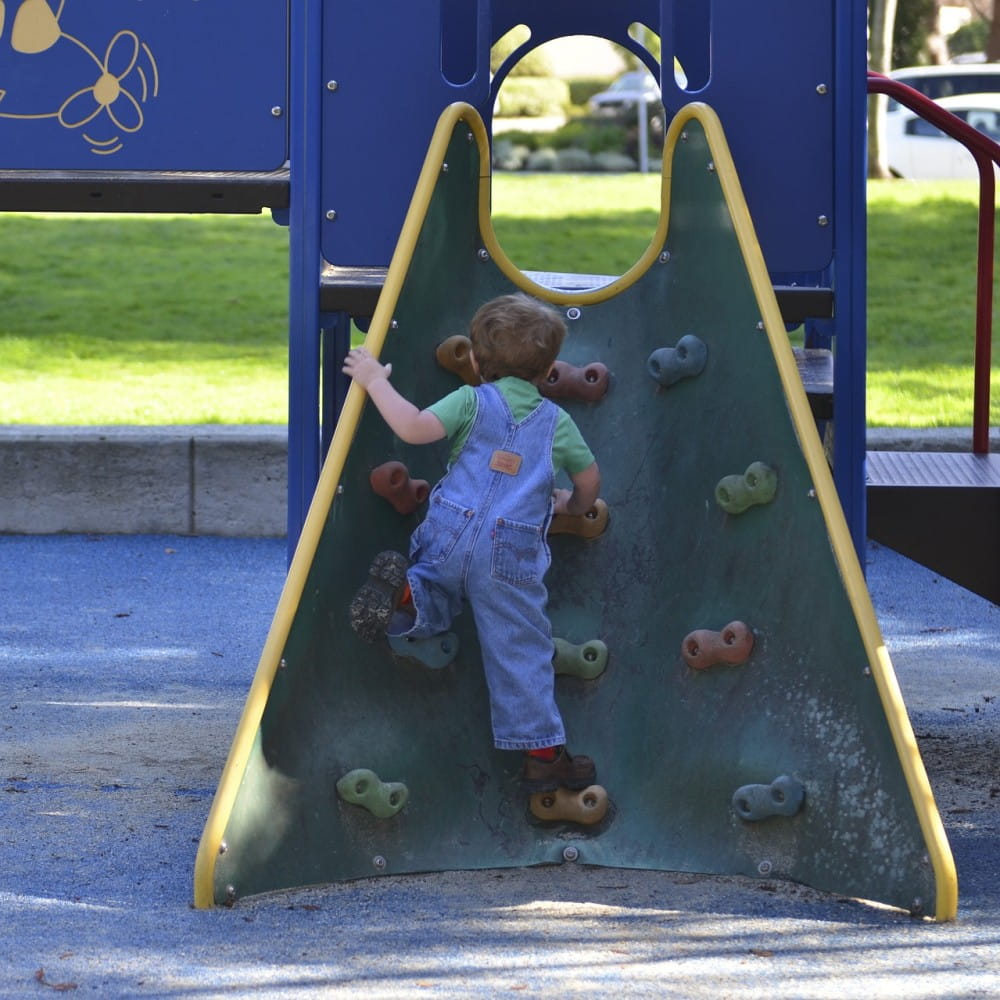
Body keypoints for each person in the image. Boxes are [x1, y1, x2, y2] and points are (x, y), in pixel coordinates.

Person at [343, 293, 601, 793]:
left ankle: (404, 597)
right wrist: (571, 505)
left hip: (449, 529)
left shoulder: (470, 400)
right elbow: (590, 481)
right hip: (509, 553)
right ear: (549, 370)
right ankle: (544, 755)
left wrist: (375, 379)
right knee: (518, 646)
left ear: (477, 362)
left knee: (434, 585)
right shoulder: (557, 423)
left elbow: (413, 428)